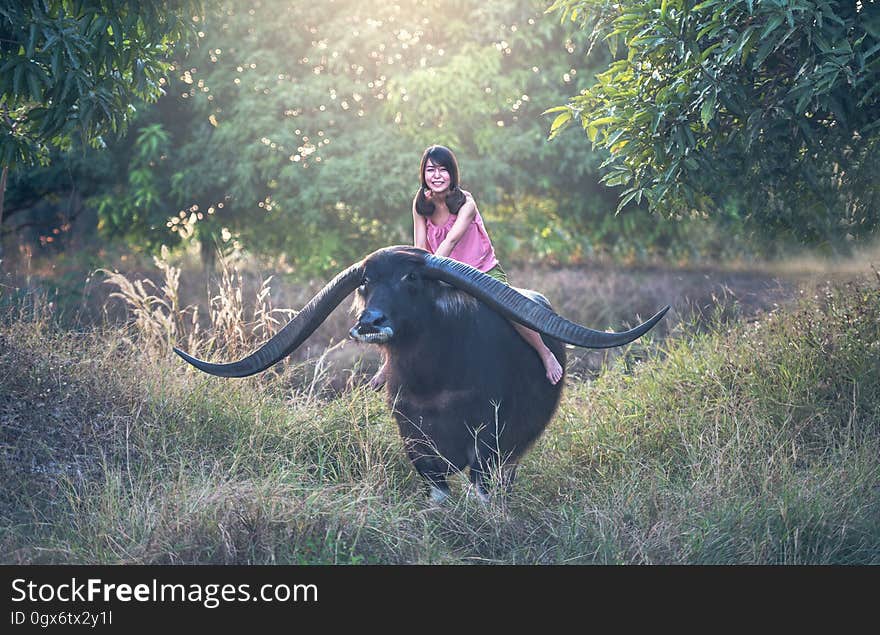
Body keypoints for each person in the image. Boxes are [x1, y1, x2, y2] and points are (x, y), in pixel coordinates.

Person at [369, 144, 563, 388]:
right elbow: (419, 247)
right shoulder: (420, 204)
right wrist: (417, 278)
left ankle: (545, 354)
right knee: (409, 308)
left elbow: (450, 240)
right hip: (443, 274)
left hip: (480, 270)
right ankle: (390, 364)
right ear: (423, 174)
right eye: (431, 170)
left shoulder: (466, 203)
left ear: (452, 174)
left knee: (510, 308)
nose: (437, 176)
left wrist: (429, 270)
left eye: (443, 170)